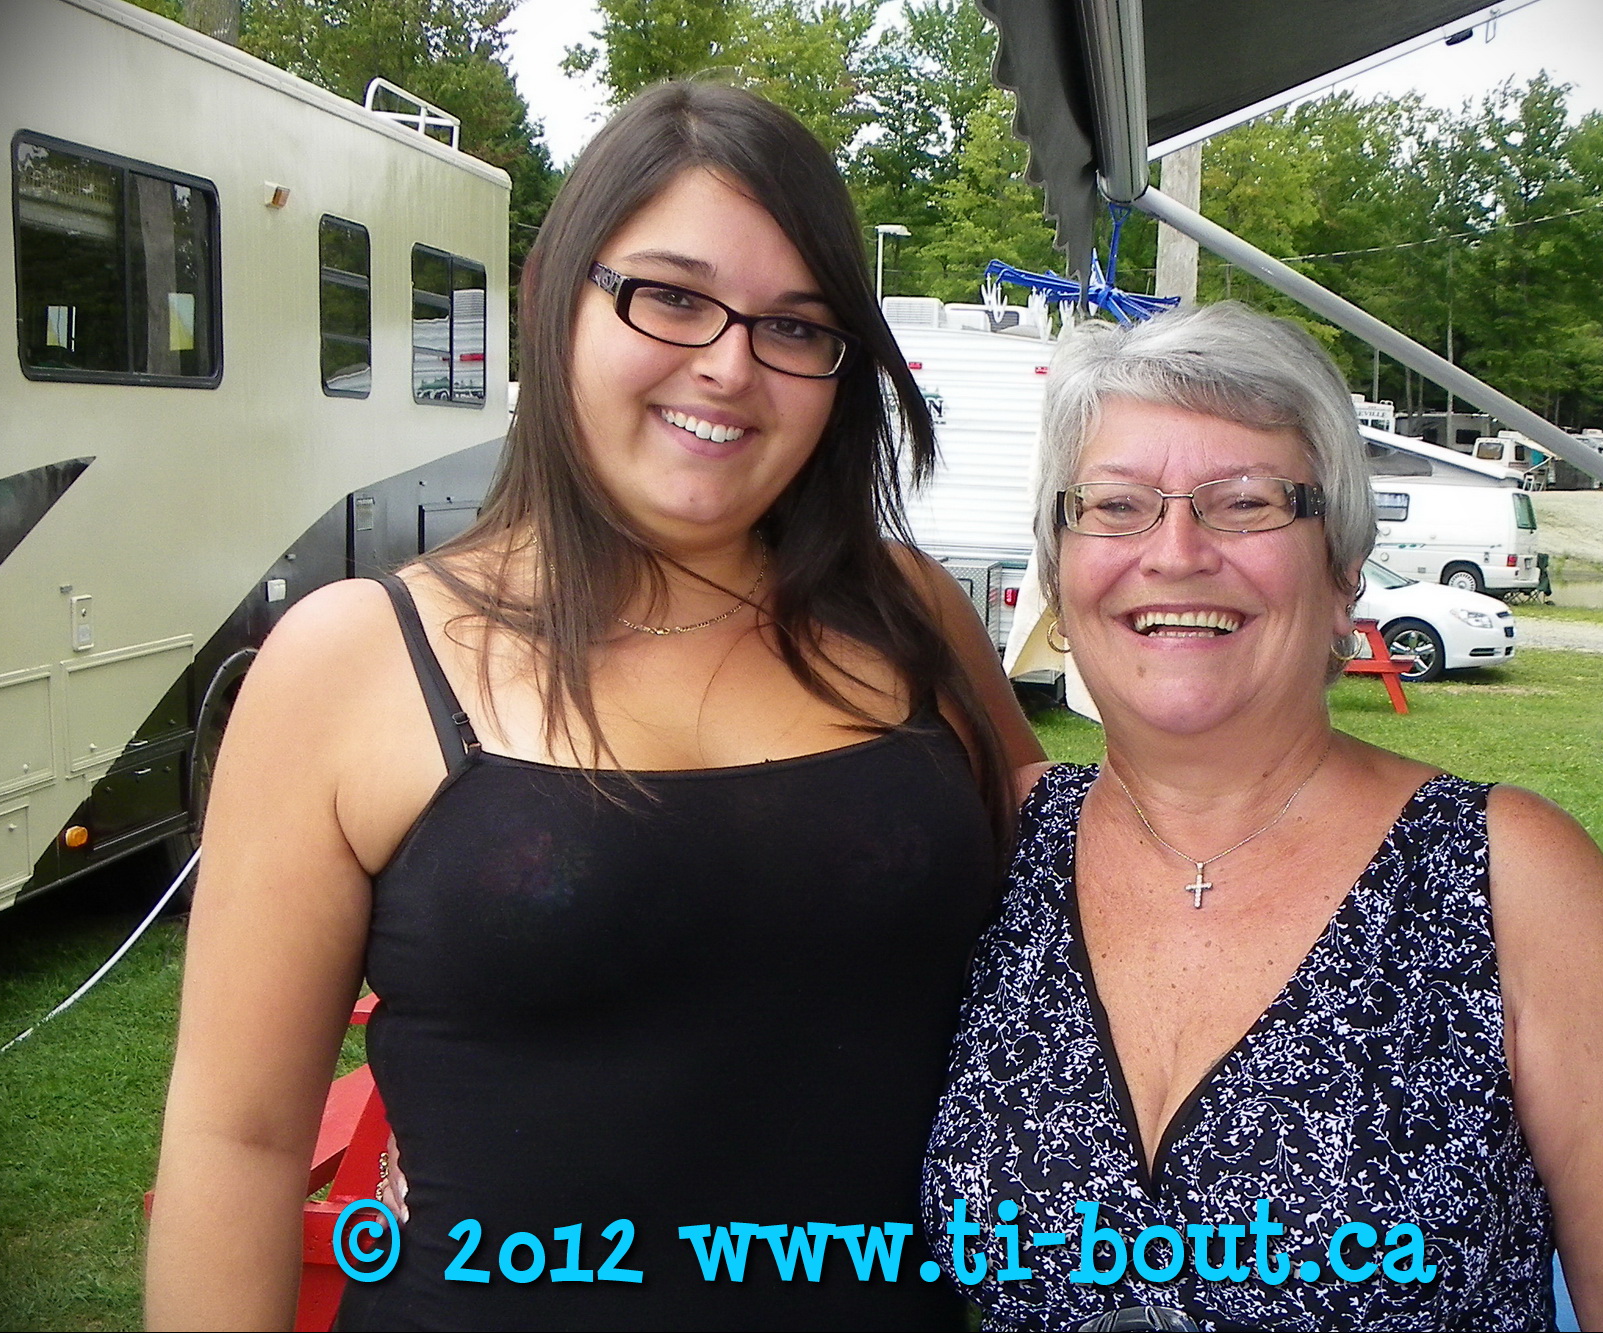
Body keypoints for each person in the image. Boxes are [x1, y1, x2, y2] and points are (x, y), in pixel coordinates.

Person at [146, 81, 1042, 1331]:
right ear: (553, 298)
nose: (728, 365)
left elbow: (1088, 901)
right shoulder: (355, 660)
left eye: (794, 324)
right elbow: (236, 1139)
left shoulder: (910, 614)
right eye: (670, 296)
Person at [922, 304, 1603, 1331]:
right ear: (1058, 568)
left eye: (1246, 503)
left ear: (1344, 569)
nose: (1175, 551)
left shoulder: (1509, 880)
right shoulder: (996, 845)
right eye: (1117, 505)